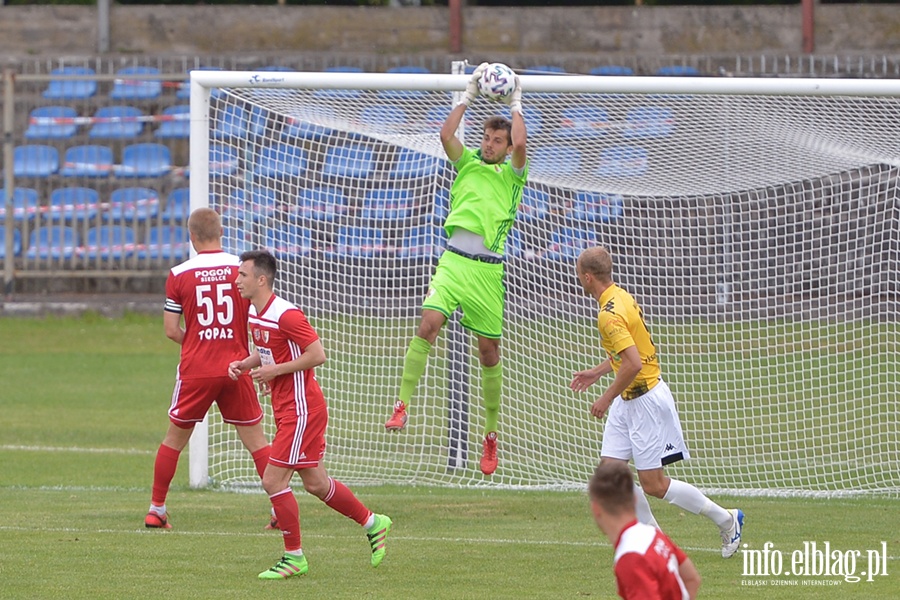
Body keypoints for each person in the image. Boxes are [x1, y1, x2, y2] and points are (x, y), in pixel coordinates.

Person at [384, 62, 528, 477]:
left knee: (488, 353)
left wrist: (517, 103)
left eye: (496, 140)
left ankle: (490, 435)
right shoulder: (465, 163)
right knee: (428, 324)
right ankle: (402, 404)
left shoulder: (513, 177)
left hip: (487, 273)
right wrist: (466, 96)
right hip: (453, 262)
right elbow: (446, 135)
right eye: (486, 137)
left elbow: (522, 147)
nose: (489, 144)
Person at [229, 249, 393, 580]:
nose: (237, 280)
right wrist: (246, 364)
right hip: (289, 407)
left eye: (242, 275)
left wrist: (275, 371)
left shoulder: (286, 314)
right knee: (317, 483)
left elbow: (317, 354)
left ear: (262, 279)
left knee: (273, 480)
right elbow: (265, 352)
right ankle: (374, 522)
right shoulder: (254, 312)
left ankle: (294, 558)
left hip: (302, 408)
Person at [571, 246, 744, 559]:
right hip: (629, 400)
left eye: (578, 274)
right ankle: (659, 547)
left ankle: (727, 519)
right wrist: (598, 372)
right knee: (611, 475)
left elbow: (634, 364)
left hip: (645, 400)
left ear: (587, 277)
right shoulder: (620, 296)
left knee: (653, 484)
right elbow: (628, 354)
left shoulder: (608, 314)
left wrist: (605, 398)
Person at [145, 207, 272, 530]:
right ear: (221, 232)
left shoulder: (179, 274)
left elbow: (172, 330)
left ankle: (156, 509)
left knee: (174, 439)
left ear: (191, 236)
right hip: (237, 366)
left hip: (197, 369)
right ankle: (278, 509)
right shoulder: (241, 270)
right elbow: (262, 316)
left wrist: (200, 342)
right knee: (256, 441)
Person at [589, 461, 701, 600]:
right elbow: (692, 579)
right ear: (635, 500)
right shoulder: (653, 534)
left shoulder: (631, 557)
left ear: (596, 508)